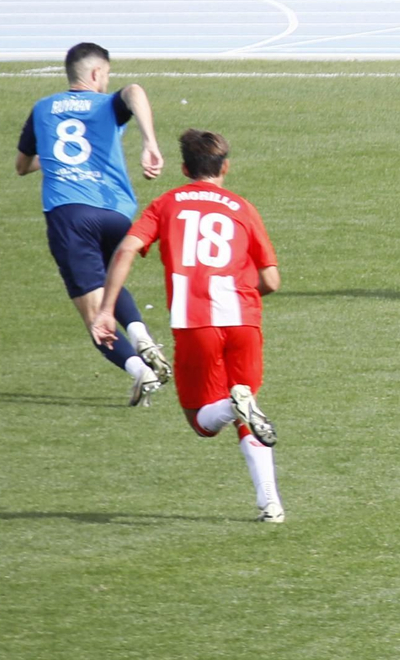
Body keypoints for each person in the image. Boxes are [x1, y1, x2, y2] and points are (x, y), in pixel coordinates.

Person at [95, 130, 286, 522]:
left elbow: (127, 248)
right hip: (243, 321)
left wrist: (106, 308)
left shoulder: (166, 204)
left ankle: (235, 406)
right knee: (247, 407)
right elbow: (271, 280)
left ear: (184, 169)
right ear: (226, 167)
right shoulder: (242, 208)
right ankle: (271, 505)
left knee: (202, 421)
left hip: (195, 322)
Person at [16, 41, 170, 405]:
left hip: (69, 214)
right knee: (109, 284)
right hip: (116, 212)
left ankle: (140, 372)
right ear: (98, 73)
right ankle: (141, 334)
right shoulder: (106, 107)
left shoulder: (42, 108)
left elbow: (21, 165)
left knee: (93, 316)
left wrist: (56, 159)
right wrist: (150, 142)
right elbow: (134, 91)